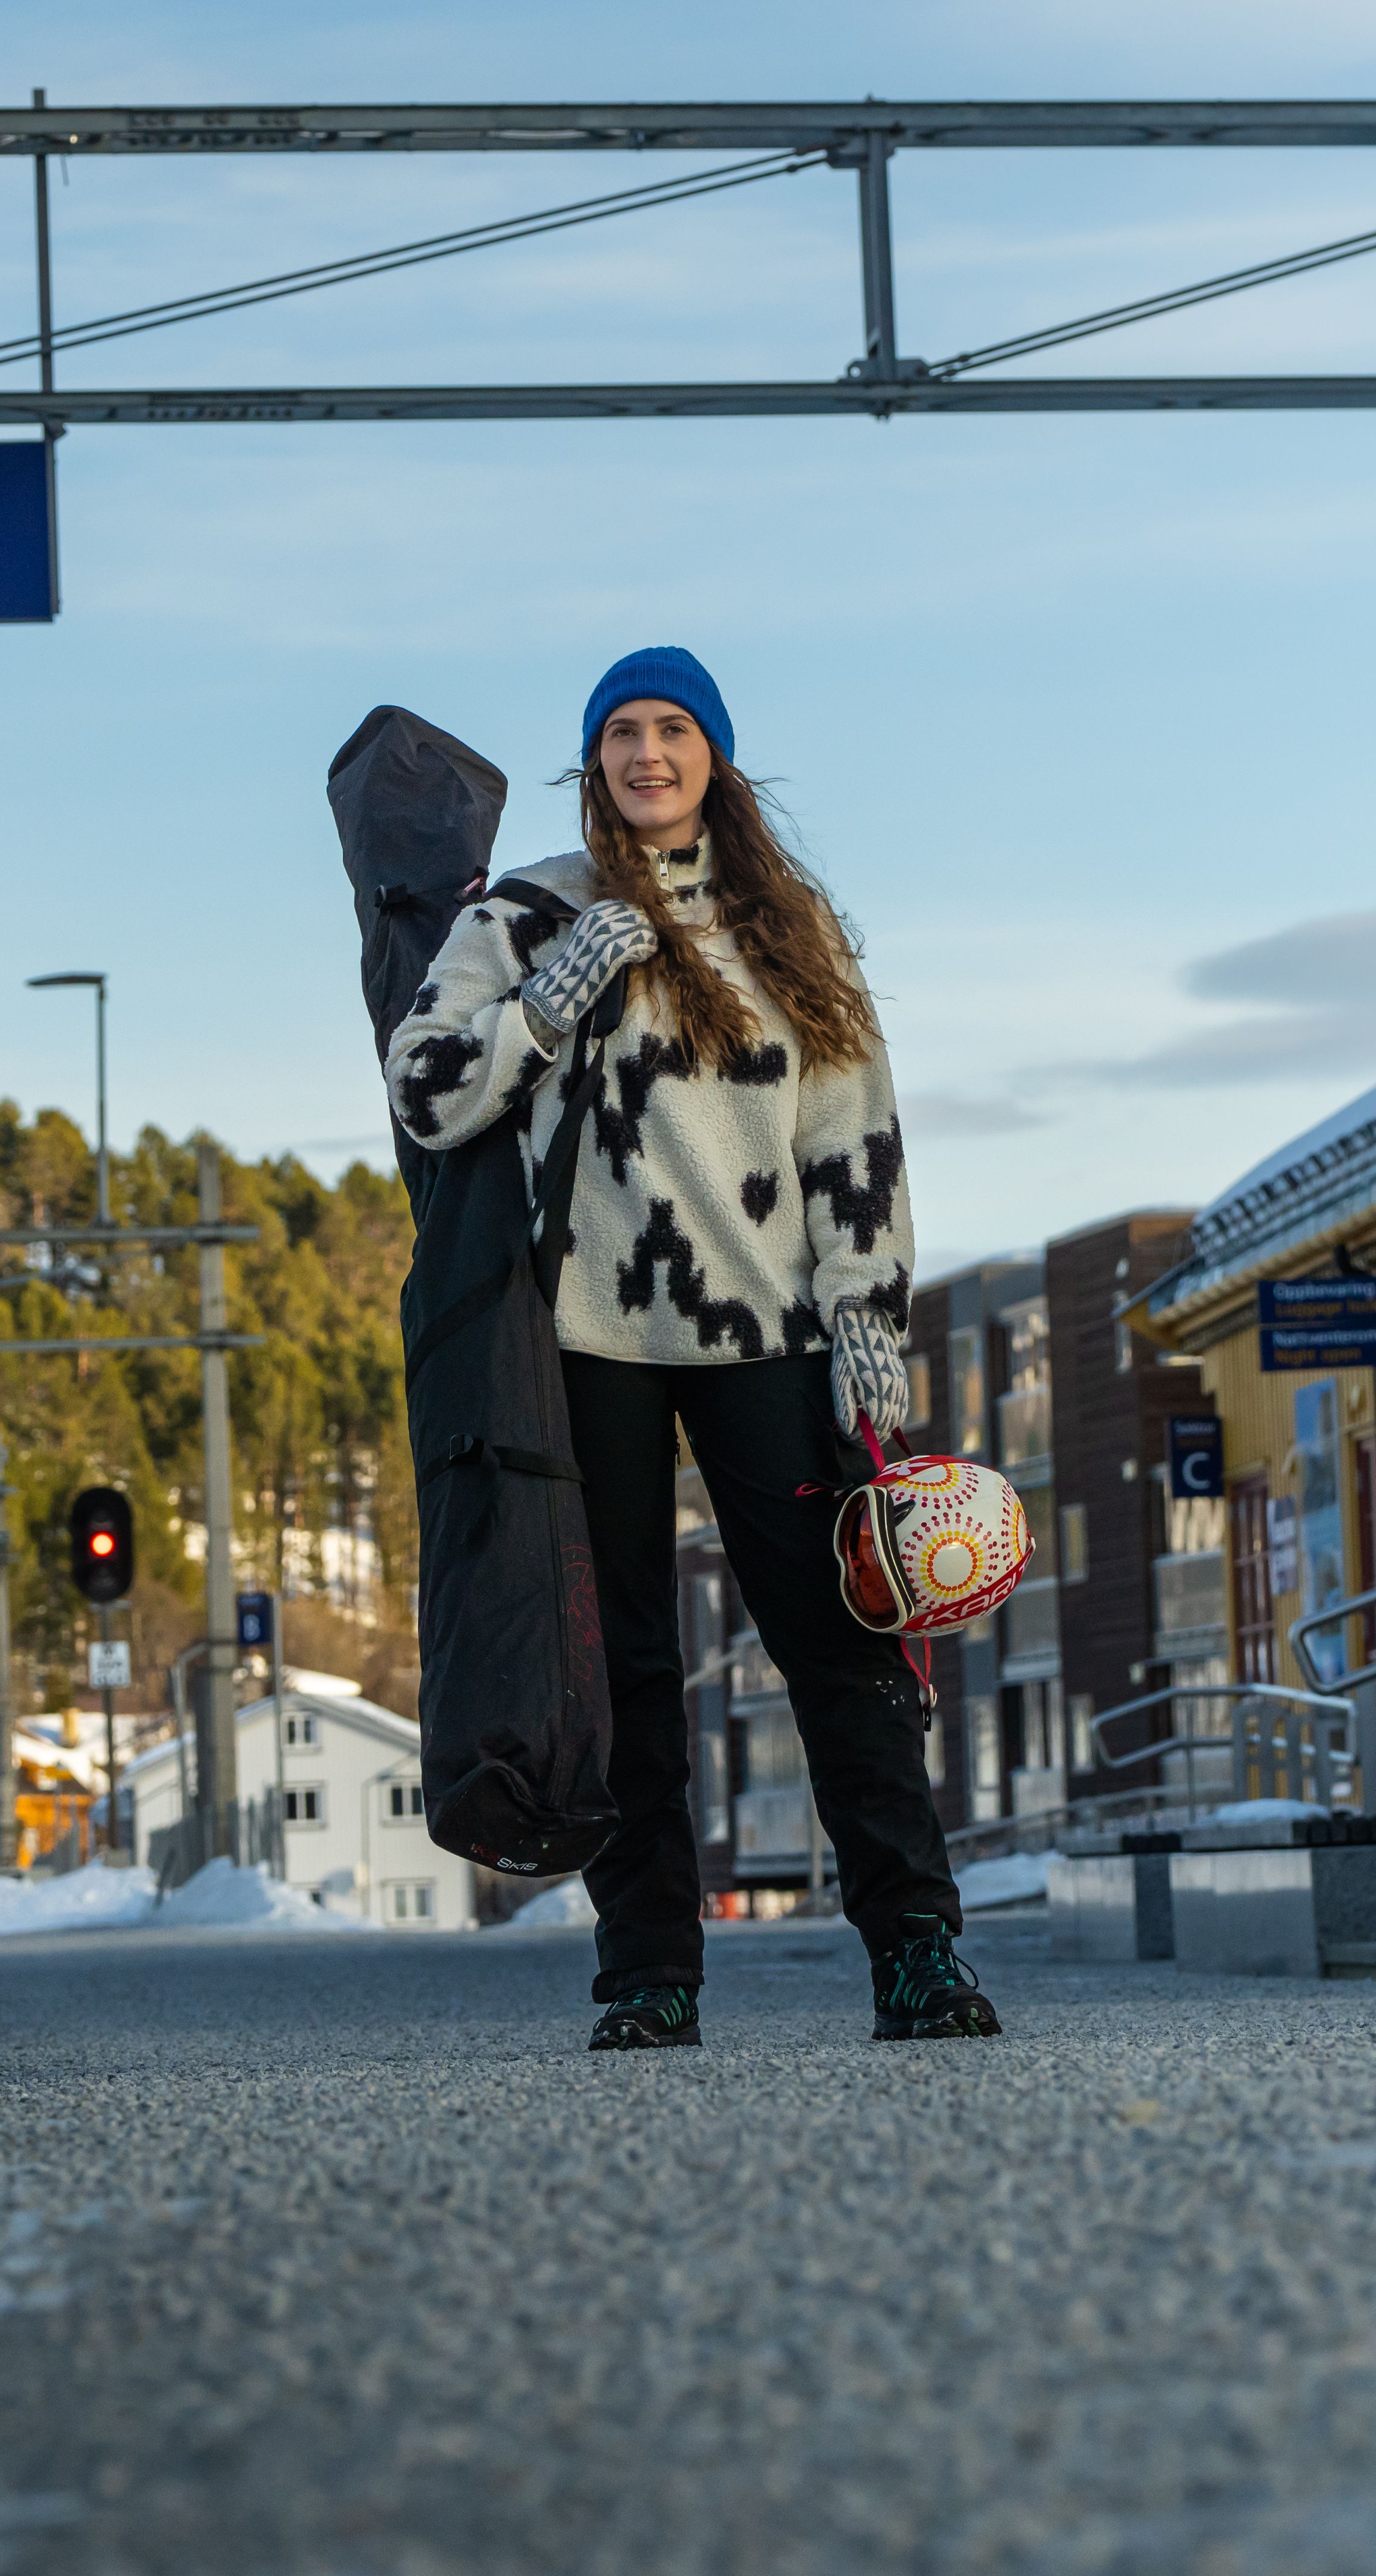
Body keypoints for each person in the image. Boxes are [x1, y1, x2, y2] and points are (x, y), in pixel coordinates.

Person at [381, 645, 1000, 2047]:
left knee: (841, 1650)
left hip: (768, 1335)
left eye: (672, 729)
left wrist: (867, 1305)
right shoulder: (534, 910)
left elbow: (853, 1130)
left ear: (716, 755)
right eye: (620, 732)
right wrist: (543, 1010)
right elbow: (424, 1091)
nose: (646, 753)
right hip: (585, 1346)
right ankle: (648, 1970)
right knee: (629, 1671)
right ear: (592, 757)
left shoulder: (790, 925)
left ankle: (917, 1951)